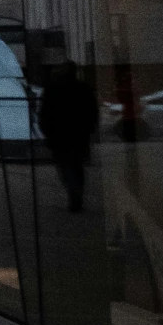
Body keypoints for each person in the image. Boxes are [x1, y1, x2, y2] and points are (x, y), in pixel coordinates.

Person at [38, 59, 99, 213]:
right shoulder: (83, 88)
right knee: (77, 165)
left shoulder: (52, 89)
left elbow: (45, 113)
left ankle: (73, 192)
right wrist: (90, 129)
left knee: (64, 166)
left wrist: (46, 131)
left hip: (59, 134)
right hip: (78, 134)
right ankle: (76, 193)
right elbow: (92, 111)